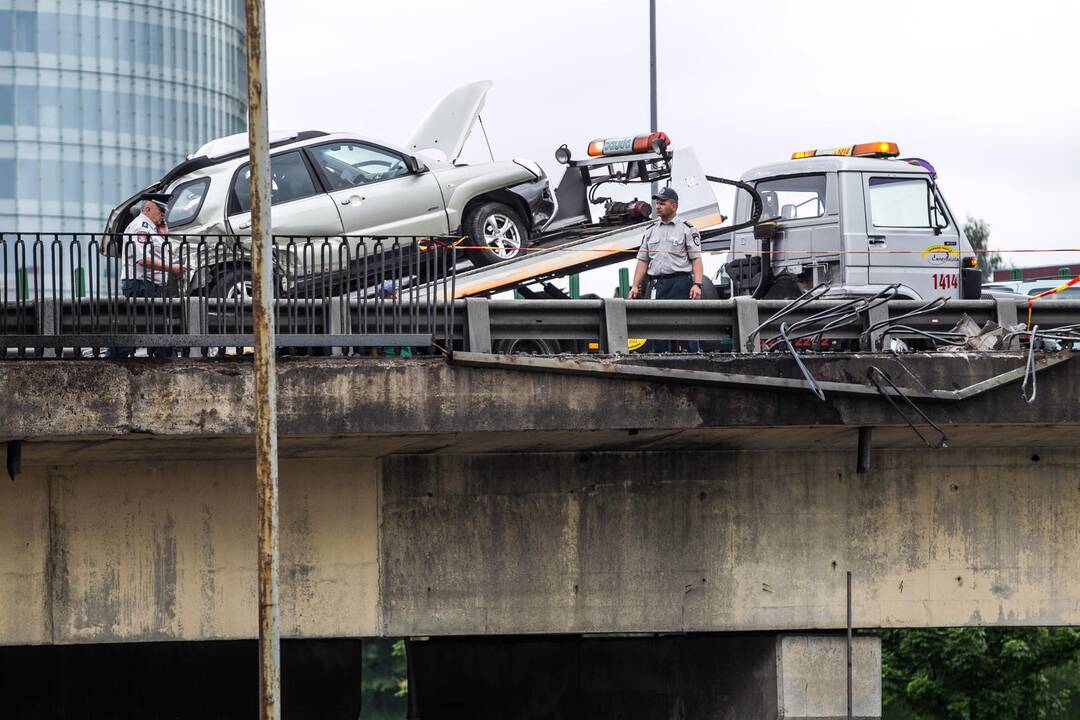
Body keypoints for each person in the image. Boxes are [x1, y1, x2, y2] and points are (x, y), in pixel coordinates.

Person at [627, 186, 704, 352]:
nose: (658, 206)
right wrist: (635, 286)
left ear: (674, 206)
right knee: (658, 325)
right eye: (657, 203)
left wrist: (697, 284)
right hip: (657, 285)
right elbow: (642, 261)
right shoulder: (650, 231)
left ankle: (694, 359)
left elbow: (696, 259)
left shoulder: (687, 229)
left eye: (662, 203)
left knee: (686, 324)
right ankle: (662, 362)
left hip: (681, 283)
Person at [112, 193, 185, 358]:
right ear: (147, 209)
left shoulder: (151, 228)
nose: (164, 214)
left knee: (146, 326)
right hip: (141, 285)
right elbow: (142, 259)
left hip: (148, 286)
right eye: (161, 210)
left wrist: (164, 237)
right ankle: (164, 362)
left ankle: (117, 358)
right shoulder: (141, 227)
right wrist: (172, 268)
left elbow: (157, 253)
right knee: (154, 327)